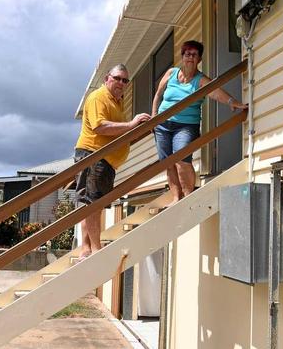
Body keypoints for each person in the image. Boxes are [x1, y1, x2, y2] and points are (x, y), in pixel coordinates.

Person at [152, 40, 247, 206]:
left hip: (186, 126)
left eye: (194, 55)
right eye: (187, 54)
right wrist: (154, 117)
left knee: (181, 158)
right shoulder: (171, 73)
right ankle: (176, 197)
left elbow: (216, 92)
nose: (190, 57)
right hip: (162, 125)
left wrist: (232, 101)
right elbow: (158, 94)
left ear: (199, 59)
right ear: (182, 57)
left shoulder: (200, 80)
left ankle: (189, 196)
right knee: (167, 163)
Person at [75, 64, 151, 259]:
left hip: (106, 160)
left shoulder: (117, 101)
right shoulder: (98, 97)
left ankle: (86, 248)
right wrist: (131, 124)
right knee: (93, 203)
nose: (121, 83)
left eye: (125, 80)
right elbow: (99, 127)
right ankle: (95, 249)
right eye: (117, 78)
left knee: (93, 203)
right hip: (94, 155)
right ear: (107, 78)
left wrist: (137, 128)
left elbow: (118, 130)